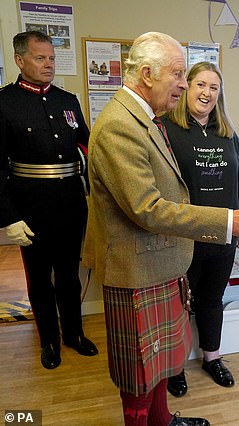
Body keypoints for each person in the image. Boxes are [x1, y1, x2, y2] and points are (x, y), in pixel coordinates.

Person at [83, 32, 239, 426]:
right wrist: (227, 220)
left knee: (155, 368)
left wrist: (236, 216)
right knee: (139, 375)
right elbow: (147, 208)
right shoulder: (121, 125)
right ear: (148, 74)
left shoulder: (145, 119)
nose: (186, 84)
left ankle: (164, 421)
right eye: (178, 74)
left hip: (159, 262)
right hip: (136, 268)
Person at [0, 30, 97, 370]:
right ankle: (50, 342)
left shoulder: (67, 100)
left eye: (52, 58)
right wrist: (8, 218)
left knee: (69, 275)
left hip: (71, 202)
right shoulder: (4, 102)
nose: (48, 64)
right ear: (20, 60)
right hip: (30, 207)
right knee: (39, 279)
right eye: (40, 58)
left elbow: (89, 147)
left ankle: (73, 334)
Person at [162, 62, 239, 397]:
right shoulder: (167, 131)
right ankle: (175, 366)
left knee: (213, 299)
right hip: (182, 238)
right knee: (178, 305)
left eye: (214, 87)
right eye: (201, 85)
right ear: (186, 88)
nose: (207, 93)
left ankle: (211, 358)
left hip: (223, 236)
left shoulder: (228, 135)